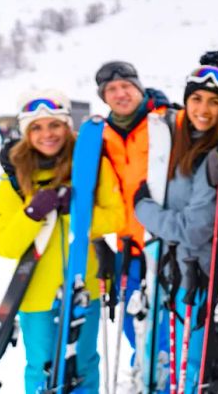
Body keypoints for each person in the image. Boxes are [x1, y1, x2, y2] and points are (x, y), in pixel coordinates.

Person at [0, 89, 124, 393]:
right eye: (36, 127)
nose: (47, 134)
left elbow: (117, 217)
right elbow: (6, 245)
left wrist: (76, 212)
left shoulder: (91, 165)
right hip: (35, 291)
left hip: (83, 286)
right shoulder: (14, 178)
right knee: (42, 367)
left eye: (54, 124)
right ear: (26, 133)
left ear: (67, 126)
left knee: (84, 364)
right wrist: (32, 212)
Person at [135, 65, 218, 393]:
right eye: (197, 99)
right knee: (167, 358)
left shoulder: (213, 156)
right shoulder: (180, 146)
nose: (203, 110)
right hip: (172, 268)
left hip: (197, 274)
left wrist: (143, 209)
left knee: (190, 363)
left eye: (214, 102)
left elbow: (193, 230)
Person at [95, 61, 172, 364]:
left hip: (162, 243)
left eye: (126, 86)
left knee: (164, 326)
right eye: (111, 89)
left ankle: (163, 377)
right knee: (130, 323)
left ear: (138, 88)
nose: (120, 93)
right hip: (125, 246)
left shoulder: (165, 122)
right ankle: (141, 371)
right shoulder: (101, 135)